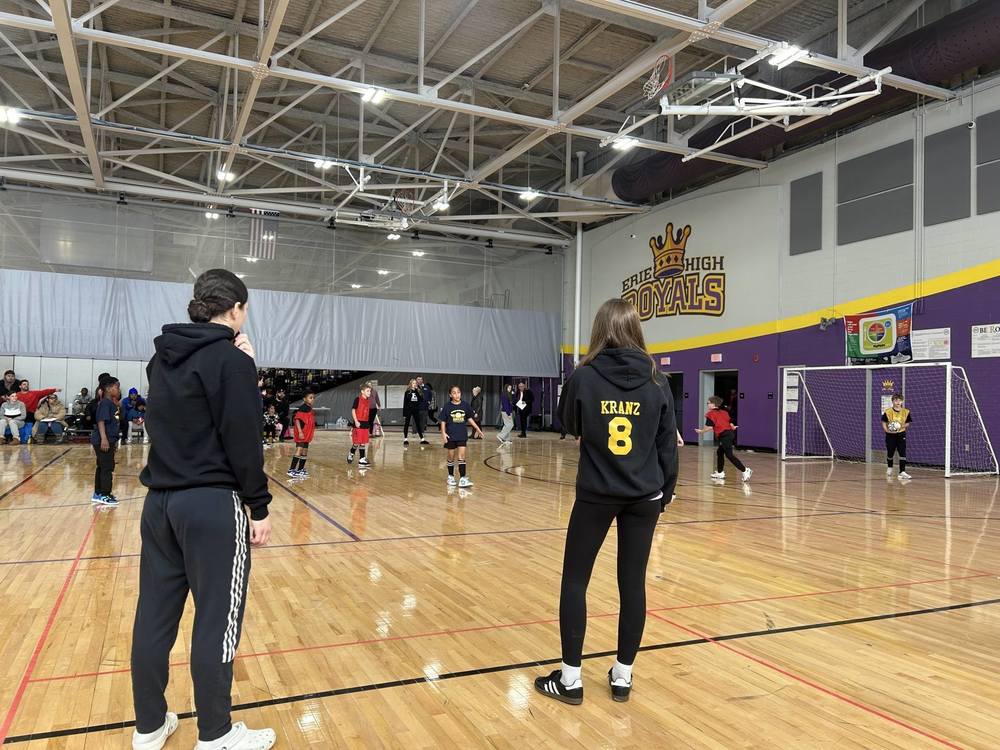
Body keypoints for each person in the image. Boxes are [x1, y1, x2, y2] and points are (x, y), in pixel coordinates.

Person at [130, 268, 275, 750]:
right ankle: (215, 734)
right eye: (245, 309)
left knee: (154, 617)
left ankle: (149, 727)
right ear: (234, 310)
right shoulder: (230, 362)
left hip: (160, 505)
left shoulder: (161, 358)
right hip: (212, 506)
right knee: (217, 619)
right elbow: (243, 441)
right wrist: (259, 506)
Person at [534, 298, 678, 707]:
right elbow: (668, 446)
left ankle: (571, 680)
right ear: (636, 329)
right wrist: (665, 492)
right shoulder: (658, 380)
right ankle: (623, 675)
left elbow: (569, 423)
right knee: (632, 584)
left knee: (575, 580)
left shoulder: (584, 376)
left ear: (599, 330)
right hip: (645, 495)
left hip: (597, 493)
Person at [695, 396, 752, 482]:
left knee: (729, 455)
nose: (707, 404)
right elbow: (728, 424)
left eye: (708, 403)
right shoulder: (724, 412)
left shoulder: (710, 414)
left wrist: (701, 431)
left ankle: (745, 470)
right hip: (729, 434)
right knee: (720, 452)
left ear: (713, 404)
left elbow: (709, 426)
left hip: (725, 436)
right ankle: (720, 472)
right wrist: (732, 427)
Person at [439, 386, 483, 488]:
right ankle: (450, 476)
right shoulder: (447, 406)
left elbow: (470, 419)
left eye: (458, 392)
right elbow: (443, 420)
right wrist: (443, 433)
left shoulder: (465, 405)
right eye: (454, 393)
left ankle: (463, 479)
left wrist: (477, 429)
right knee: (451, 457)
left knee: (462, 457)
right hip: (450, 435)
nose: (457, 394)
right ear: (450, 395)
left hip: (462, 435)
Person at [91, 376, 121, 506]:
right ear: (108, 389)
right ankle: (105, 494)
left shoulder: (111, 403)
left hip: (109, 439)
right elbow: (101, 421)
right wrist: (104, 439)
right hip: (103, 440)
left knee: (102, 466)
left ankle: (98, 493)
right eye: (116, 387)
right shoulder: (105, 403)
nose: (118, 390)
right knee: (107, 467)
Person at [883, 392, 913, 480]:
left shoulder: (906, 412)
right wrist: (887, 430)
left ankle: (902, 471)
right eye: (896, 400)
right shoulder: (888, 412)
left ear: (902, 402)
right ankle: (890, 467)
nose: (898, 402)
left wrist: (900, 426)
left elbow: (907, 423)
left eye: (900, 400)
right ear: (892, 401)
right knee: (890, 452)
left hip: (901, 434)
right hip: (890, 435)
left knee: (902, 452)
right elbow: (884, 422)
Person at [289, 392, 317, 478]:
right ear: (304, 399)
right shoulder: (303, 408)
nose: (312, 399)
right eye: (310, 397)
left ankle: (300, 469)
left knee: (305, 451)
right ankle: (291, 470)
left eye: (313, 398)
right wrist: (300, 432)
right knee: (299, 450)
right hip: (302, 433)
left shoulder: (309, 408)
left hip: (307, 433)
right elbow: (297, 420)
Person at [348, 383, 375, 467]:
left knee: (363, 442)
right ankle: (351, 453)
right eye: (367, 391)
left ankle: (362, 459)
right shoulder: (357, 399)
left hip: (365, 423)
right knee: (356, 442)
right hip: (358, 423)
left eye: (370, 391)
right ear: (362, 391)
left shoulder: (368, 401)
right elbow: (353, 411)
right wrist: (356, 421)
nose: (369, 392)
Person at [402, 378, 427, 446]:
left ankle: (422, 439)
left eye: (415, 383)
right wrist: (404, 413)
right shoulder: (407, 392)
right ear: (410, 384)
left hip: (416, 410)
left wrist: (418, 390)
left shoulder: (418, 391)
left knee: (418, 424)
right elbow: (405, 403)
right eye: (413, 383)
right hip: (409, 410)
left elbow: (421, 399)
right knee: (406, 424)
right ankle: (405, 439)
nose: (414, 384)